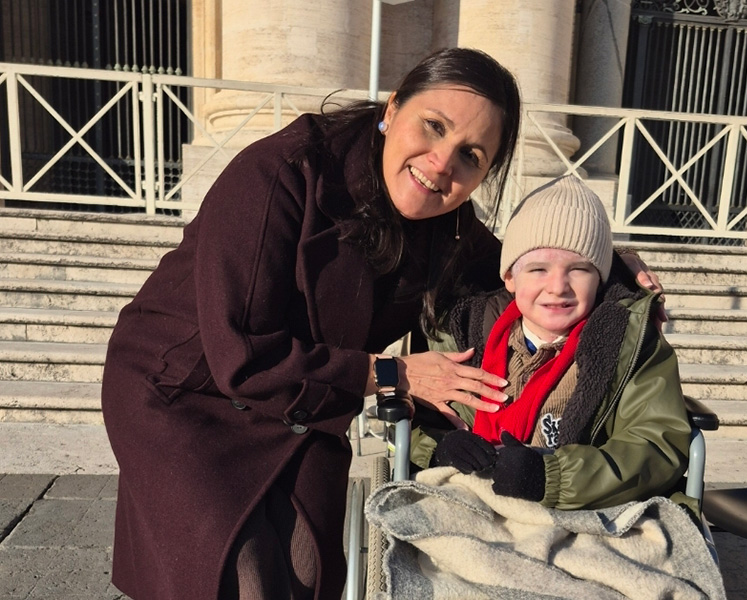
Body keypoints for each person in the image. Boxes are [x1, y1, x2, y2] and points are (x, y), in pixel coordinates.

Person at [101, 48, 664, 600]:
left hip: (305, 401)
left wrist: (613, 271)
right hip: (185, 390)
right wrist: (393, 373)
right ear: (392, 108)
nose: (443, 162)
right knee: (235, 575)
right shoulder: (281, 172)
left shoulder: (450, 227)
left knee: (306, 571)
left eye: (471, 155)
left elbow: (523, 269)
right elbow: (242, 356)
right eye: (433, 125)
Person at [409, 174, 692, 512]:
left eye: (579, 270)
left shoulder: (630, 343)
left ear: (600, 279)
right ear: (510, 278)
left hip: (581, 509)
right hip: (471, 500)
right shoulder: (460, 332)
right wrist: (440, 448)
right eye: (538, 269)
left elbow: (655, 444)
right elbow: (412, 423)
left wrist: (552, 476)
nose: (558, 287)